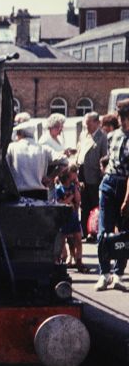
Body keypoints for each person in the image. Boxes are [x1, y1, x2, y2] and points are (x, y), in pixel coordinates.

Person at [96, 98, 129, 291]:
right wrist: (105, 164)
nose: (124, 121)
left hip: (126, 186)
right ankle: (104, 273)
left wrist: (127, 199)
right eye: (121, 117)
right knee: (104, 232)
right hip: (109, 183)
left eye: (127, 117)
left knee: (123, 235)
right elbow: (110, 157)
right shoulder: (112, 136)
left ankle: (118, 274)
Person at [75, 112, 108, 241]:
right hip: (82, 174)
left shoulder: (102, 137)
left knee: (94, 205)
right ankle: (83, 230)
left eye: (89, 123)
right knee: (83, 204)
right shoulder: (83, 135)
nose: (87, 126)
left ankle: (93, 232)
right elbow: (79, 151)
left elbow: (104, 157)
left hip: (94, 176)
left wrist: (101, 175)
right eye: (86, 124)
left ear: (96, 123)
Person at [6, 123, 57, 200]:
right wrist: (50, 177)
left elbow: (5, 166)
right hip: (40, 192)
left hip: (19, 192)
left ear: (20, 133)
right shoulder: (43, 148)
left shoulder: (11, 147)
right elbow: (64, 161)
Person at [54, 162, 86, 272]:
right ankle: (62, 259)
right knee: (63, 240)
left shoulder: (73, 187)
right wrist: (71, 196)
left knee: (77, 238)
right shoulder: (58, 189)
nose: (75, 176)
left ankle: (79, 260)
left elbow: (78, 200)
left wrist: (76, 188)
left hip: (73, 216)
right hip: (63, 217)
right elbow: (60, 202)